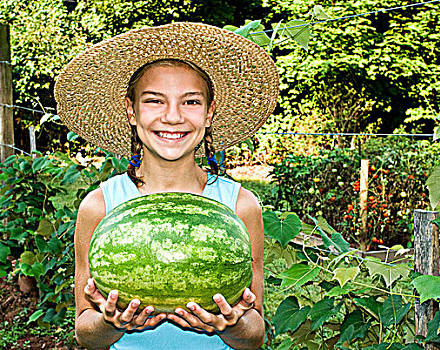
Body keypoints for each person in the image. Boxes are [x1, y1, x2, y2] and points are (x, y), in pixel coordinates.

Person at [55, 22, 279, 350]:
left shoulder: (241, 206)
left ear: (209, 112)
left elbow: (254, 332)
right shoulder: (99, 206)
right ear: (131, 111)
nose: (172, 116)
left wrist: (230, 324)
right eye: (154, 101)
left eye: (190, 102)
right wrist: (108, 321)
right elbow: (85, 332)